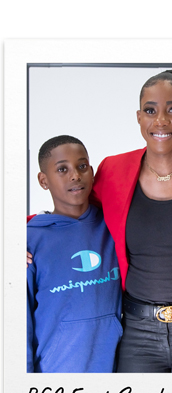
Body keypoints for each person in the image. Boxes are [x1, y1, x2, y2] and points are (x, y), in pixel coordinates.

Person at [90, 70, 172, 373]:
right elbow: (77, 213)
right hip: (137, 333)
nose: (161, 120)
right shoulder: (113, 170)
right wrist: (28, 233)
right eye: (150, 110)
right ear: (139, 117)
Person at [27, 135, 122, 372]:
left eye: (82, 166)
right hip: (55, 374)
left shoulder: (115, 223)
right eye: (62, 169)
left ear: (91, 170)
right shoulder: (28, 241)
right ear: (43, 180)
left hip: (118, 370)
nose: (75, 175)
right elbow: (18, 321)